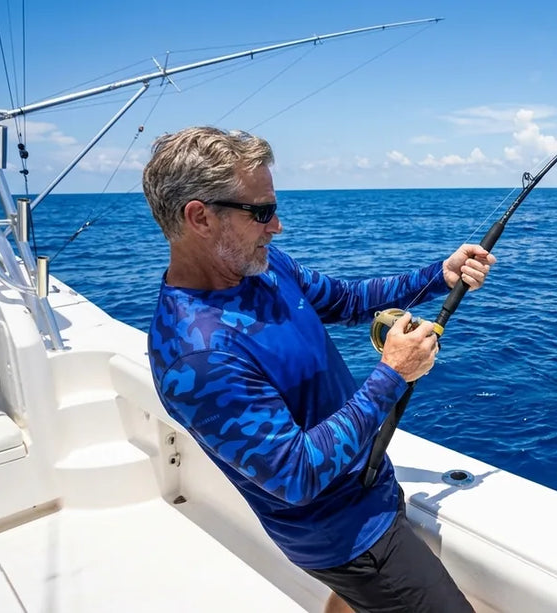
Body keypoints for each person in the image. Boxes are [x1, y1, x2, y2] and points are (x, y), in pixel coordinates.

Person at [143, 126, 494, 613]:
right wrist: (392, 374)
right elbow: (296, 474)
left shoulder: (262, 267)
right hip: (345, 540)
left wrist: (439, 276)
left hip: (371, 490)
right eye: (261, 212)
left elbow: (348, 300)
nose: (277, 226)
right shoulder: (196, 355)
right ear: (200, 217)